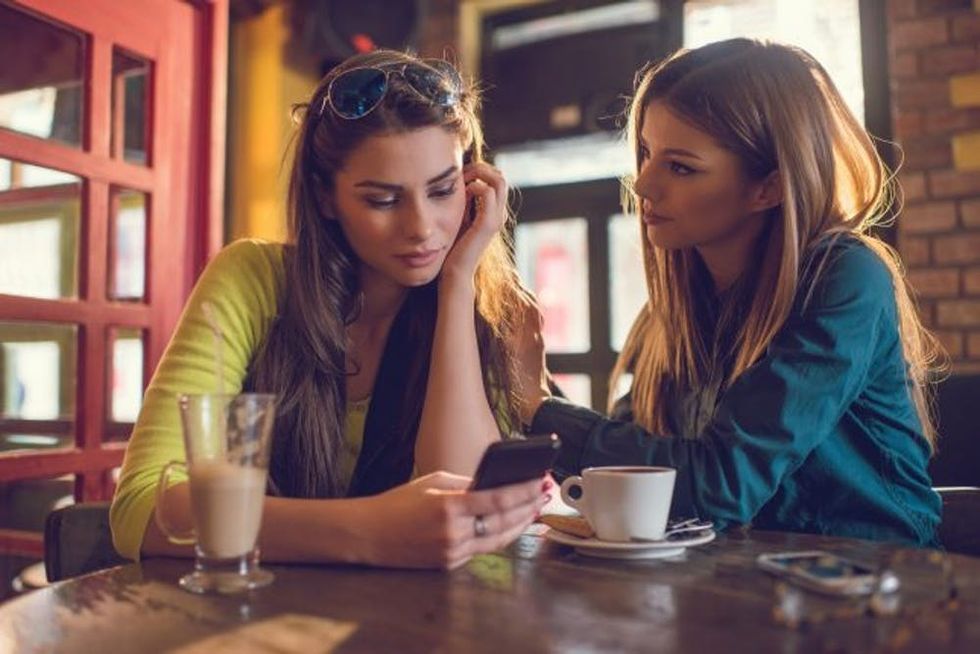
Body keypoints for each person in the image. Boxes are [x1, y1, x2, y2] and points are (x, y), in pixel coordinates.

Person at [111, 50, 550, 570]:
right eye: (382, 200)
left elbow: (472, 519)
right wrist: (369, 531)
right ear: (324, 197)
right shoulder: (252, 279)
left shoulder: (492, 312)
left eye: (442, 190)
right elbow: (141, 508)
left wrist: (457, 284)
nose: (423, 227)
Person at [517, 39, 944, 546]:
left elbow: (720, 484)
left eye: (680, 167)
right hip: (740, 585)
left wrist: (537, 408)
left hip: (877, 590)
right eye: (647, 154)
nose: (643, 184)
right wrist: (531, 383)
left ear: (768, 187)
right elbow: (635, 465)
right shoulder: (679, 301)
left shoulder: (844, 277)